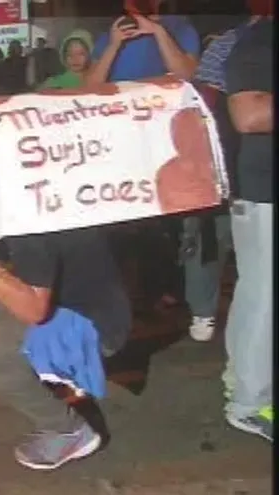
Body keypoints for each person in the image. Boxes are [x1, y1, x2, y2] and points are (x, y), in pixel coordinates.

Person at [0, 226, 131, 469]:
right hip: (76, 304)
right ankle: (53, 377)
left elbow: (34, 312)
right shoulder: (28, 213)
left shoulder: (31, 224)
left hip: (93, 327)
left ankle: (69, 432)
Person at [84, 0, 200, 312]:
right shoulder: (112, 34)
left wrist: (158, 32)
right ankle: (122, 296)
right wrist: (114, 45)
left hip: (165, 145)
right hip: (121, 144)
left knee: (165, 221)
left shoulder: (181, 29)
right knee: (122, 222)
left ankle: (164, 289)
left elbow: (187, 74)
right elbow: (90, 88)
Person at [181, 16, 261, 342]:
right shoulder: (228, 44)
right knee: (209, 239)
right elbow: (203, 103)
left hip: (254, 169)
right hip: (223, 165)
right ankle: (203, 310)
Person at [222, 11, 273, 441]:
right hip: (265, 191)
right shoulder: (260, 42)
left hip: (261, 192)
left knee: (256, 293)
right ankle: (250, 404)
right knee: (265, 298)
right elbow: (250, 115)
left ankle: (241, 383)